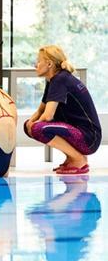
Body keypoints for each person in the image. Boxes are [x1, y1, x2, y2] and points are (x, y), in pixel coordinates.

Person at [24, 45, 102, 174]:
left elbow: (48, 116)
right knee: (30, 126)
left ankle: (78, 159)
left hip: (89, 138)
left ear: (49, 64)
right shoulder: (53, 80)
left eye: (38, 61)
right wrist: (29, 123)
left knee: (38, 129)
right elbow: (40, 111)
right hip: (80, 132)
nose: (35, 65)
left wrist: (33, 126)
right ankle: (71, 157)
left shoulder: (60, 79)